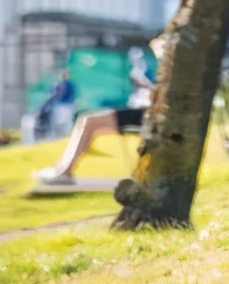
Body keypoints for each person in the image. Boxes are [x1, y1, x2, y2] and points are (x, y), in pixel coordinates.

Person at [34, 48, 153, 185]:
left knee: (88, 121)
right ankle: (63, 169)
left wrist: (146, 85)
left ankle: (64, 171)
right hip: (144, 111)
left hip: (147, 115)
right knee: (86, 120)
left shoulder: (170, 64)